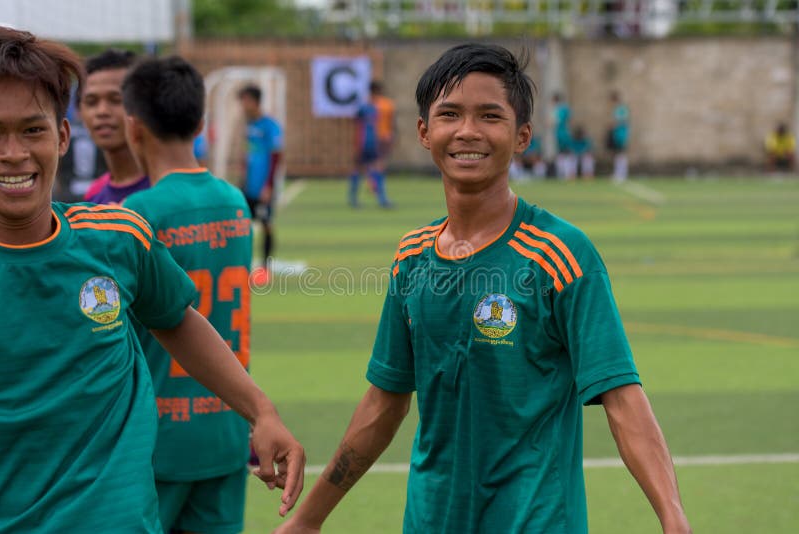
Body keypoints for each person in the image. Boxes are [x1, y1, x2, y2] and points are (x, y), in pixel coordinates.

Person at [275, 43, 691, 534]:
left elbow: (623, 399)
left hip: (535, 521)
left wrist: (673, 518)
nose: (467, 131)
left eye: (490, 116)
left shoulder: (563, 254)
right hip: (431, 520)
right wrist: (308, 518)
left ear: (522, 137)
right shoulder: (411, 257)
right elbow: (384, 402)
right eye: (450, 114)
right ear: (425, 133)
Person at [0, 26, 304, 532]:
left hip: (115, 518)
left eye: (32, 130)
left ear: (60, 136)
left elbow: (178, 319)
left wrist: (260, 410)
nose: (13, 153)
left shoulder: (118, 237)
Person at [121, 55, 260, 534]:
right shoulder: (234, 202)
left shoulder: (138, 213)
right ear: (202, 122)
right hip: (227, 428)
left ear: (133, 129)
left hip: (160, 438)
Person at [79, 48, 150, 203]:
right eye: (91, 102)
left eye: (116, 99)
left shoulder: (163, 189)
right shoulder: (94, 195)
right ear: (79, 112)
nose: (102, 111)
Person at [238, 84, 283, 272]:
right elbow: (248, 153)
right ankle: (243, 264)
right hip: (248, 186)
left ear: (255, 102)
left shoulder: (270, 126)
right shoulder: (249, 125)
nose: (243, 105)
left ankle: (266, 266)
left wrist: (269, 185)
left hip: (263, 186)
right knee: (242, 225)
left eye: (246, 100)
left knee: (266, 224)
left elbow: (276, 156)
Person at [348, 80, 394, 208]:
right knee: (377, 168)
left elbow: (356, 122)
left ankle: (353, 199)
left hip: (363, 141)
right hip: (375, 141)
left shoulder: (364, 106)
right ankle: (382, 199)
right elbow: (388, 125)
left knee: (359, 168)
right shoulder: (384, 105)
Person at [608, 90, 630, 181]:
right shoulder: (617, 108)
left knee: (621, 153)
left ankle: (622, 174)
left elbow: (624, 120)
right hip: (617, 133)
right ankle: (618, 173)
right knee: (617, 153)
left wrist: (615, 125)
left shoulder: (622, 108)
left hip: (621, 133)